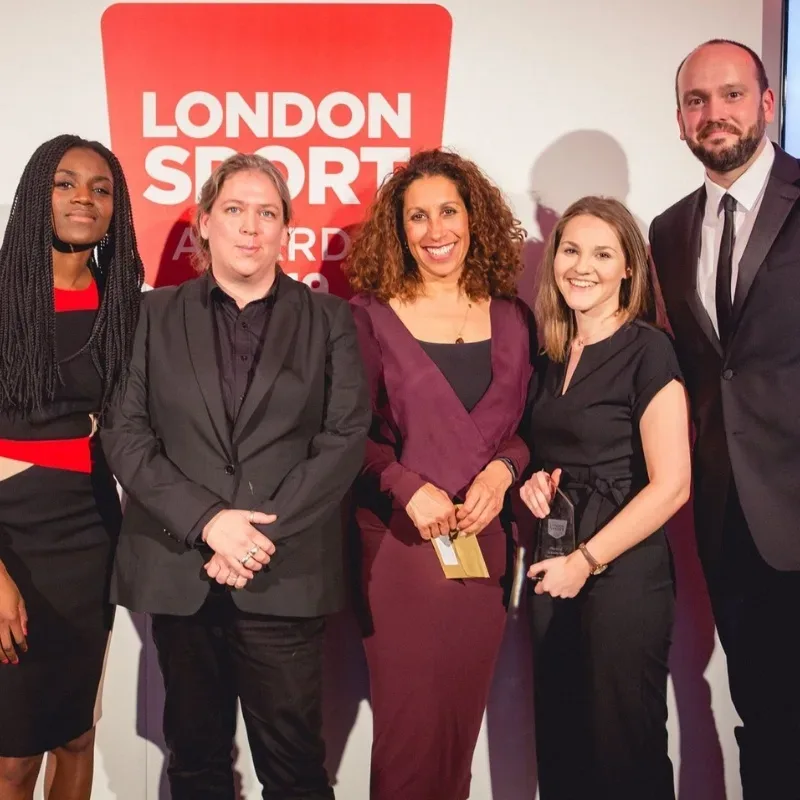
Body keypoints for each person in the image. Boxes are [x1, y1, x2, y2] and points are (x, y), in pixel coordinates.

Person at [100, 153, 370, 800]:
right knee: (193, 763)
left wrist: (252, 536)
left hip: (283, 572)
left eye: (267, 213)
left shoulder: (330, 320)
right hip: (180, 569)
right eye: (235, 210)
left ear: (286, 231)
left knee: (297, 773)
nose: (251, 227)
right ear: (204, 224)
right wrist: (209, 522)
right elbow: (125, 433)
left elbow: (343, 440)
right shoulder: (151, 315)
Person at [344, 148, 534, 800]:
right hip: (400, 552)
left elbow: (525, 433)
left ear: (473, 217)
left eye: (447, 211)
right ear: (397, 230)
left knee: (455, 738)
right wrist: (406, 486)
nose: (435, 230)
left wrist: (501, 475)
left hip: (482, 552)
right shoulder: (367, 316)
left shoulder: (512, 317)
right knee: (407, 741)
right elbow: (346, 440)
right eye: (417, 216)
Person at [649, 38, 800, 798]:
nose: (714, 114)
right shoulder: (667, 232)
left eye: (732, 95)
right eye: (697, 101)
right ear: (679, 120)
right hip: (732, 522)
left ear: (767, 105)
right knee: (766, 720)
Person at [520, 196, 690, 800]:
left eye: (601, 253)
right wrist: (535, 483)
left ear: (628, 269)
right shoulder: (549, 357)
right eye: (570, 250)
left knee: (624, 751)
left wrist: (586, 562)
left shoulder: (650, 351)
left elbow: (672, 484)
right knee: (562, 747)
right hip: (552, 563)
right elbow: (547, 454)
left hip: (620, 571)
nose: (581, 266)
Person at [0, 134, 143, 799]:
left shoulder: (125, 307)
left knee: (76, 731)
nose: (84, 197)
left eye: (101, 187)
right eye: (65, 183)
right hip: (10, 540)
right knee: (12, 754)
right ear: (37, 195)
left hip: (90, 532)